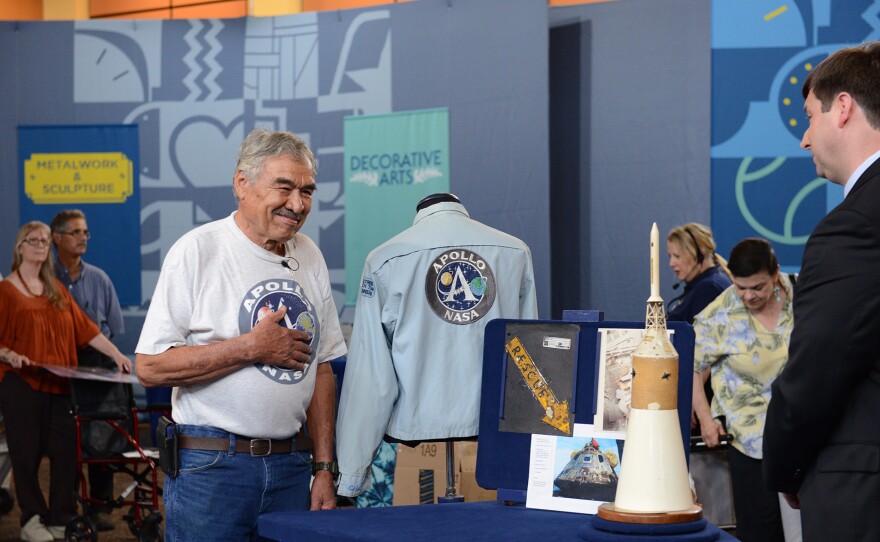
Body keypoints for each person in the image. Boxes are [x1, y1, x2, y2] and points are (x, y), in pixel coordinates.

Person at [135, 128, 347, 541]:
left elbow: (321, 368)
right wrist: (250, 347)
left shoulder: (310, 254)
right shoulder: (198, 250)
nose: (298, 204)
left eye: (307, 191)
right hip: (212, 468)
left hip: (292, 466)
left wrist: (324, 468)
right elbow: (149, 367)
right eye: (284, 188)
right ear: (242, 183)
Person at [335, 193, 538, 498]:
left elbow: (371, 373)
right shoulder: (513, 250)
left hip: (417, 424)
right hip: (491, 424)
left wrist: (352, 473)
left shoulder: (385, 258)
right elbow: (527, 357)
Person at [763, 42, 880, 541]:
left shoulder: (854, 227)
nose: (805, 140)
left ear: (845, 108)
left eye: (809, 117)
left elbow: (818, 368)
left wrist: (784, 466)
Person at [0, 221, 131, 542]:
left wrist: (116, 354)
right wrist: (8, 354)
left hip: (60, 385)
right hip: (22, 384)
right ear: (20, 247)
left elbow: (87, 329)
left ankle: (61, 516)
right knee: (25, 455)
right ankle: (32, 520)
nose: (41, 245)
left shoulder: (56, 290)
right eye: (34, 240)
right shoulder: (6, 291)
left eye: (45, 240)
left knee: (66, 453)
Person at [693, 238, 799, 542]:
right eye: (741, 288)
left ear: (775, 273)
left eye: (758, 287)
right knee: (760, 531)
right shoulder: (720, 314)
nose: (749, 295)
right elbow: (692, 367)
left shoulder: (800, 295)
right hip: (749, 439)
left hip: (802, 434)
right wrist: (706, 418)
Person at [50, 209, 125, 531]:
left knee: (102, 433)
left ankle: (101, 505)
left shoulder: (99, 278)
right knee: (65, 440)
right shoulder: (45, 281)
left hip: (98, 364)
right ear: (57, 238)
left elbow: (112, 329)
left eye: (85, 233)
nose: (82, 238)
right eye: (75, 232)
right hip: (60, 365)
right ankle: (65, 507)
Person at [666, 223, 732, 324]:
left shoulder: (709, 289)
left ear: (701, 255)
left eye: (677, 256)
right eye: (670, 256)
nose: (671, 264)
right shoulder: (711, 282)